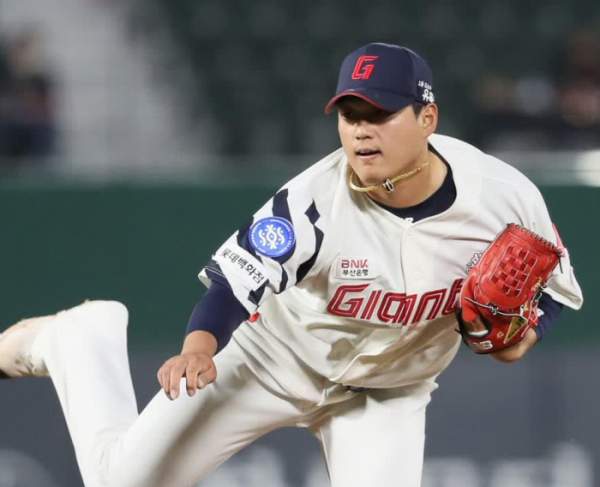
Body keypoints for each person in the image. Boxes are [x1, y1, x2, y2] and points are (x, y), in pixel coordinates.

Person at [0, 43, 583, 487]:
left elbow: (554, 287)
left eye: (379, 114)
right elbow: (233, 286)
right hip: (271, 362)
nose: (360, 131)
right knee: (120, 483)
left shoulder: (503, 196)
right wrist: (199, 348)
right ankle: (81, 340)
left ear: (427, 118)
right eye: (349, 114)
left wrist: (524, 338)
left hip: (387, 393)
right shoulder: (313, 201)